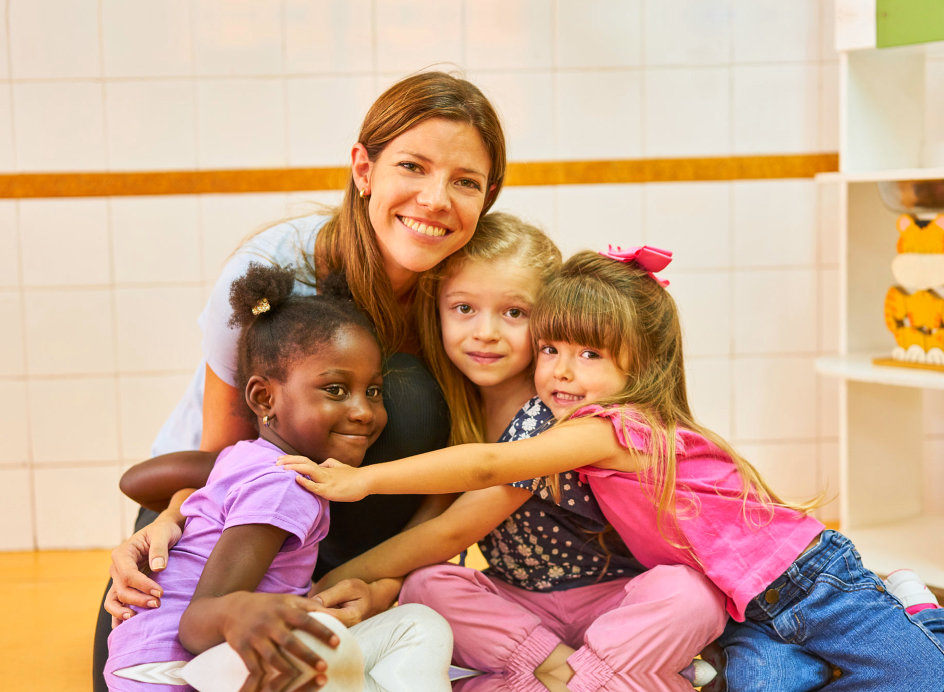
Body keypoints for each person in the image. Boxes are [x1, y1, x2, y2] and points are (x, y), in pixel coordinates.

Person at [281, 246, 944, 691]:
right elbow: (459, 508)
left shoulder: (610, 428)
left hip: (810, 580)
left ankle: (918, 612)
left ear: (637, 367)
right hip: (750, 610)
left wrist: (360, 479)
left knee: (927, 678)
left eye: (590, 355)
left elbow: (488, 466)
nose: (563, 370)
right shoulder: (568, 420)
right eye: (552, 350)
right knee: (758, 686)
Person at [93, 69, 506, 690]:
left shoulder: (474, 295)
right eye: (413, 167)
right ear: (363, 170)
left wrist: (386, 581)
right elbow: (226, 461)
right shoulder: (272, 269)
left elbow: (471, 459)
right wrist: (167, 520)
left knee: (414, 399)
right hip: (212, 541)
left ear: (488, 197)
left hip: (349, 546)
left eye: (465, 182)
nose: (436, 199)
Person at [292, 227, 726, 692]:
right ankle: (572, 665)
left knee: (691, 594)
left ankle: (575, 674)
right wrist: (378, 589)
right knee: (426, 585)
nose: (486, 333)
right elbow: (434, 525)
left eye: (515, 313)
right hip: (521, 605)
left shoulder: (555, 412)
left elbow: (454, 530)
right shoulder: (459, 410)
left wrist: (328, 579)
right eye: (463, 308)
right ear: (436, 310)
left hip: (612, 599)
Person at [106, 263, 453, 692]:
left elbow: (136, 480)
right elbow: (198, 624)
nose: (364, 411)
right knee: (418, 626)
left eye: (374, 391)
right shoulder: (284, 487)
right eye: (336, 390)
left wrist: (177, 512)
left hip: (142, 663)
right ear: (264, 397)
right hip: (187, 667)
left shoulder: (244, 461)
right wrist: (247, 612)